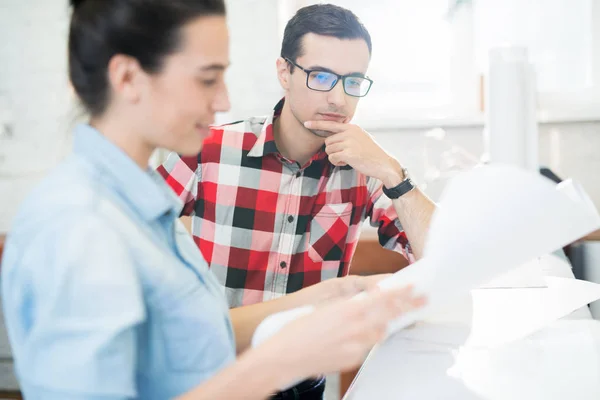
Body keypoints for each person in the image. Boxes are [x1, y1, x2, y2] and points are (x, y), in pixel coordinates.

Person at [0, 1, 426, 399]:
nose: (223, 100)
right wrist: (279, 361)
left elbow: (191, 336)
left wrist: (337, 294)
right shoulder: (78, 226)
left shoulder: (142, 204)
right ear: (128, 79)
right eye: (207, 78)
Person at [158, 4, 437, 397]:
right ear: (284, 73)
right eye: (321, 76)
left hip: (302, 387)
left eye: (353, 81)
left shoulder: (364, 169)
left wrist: (392, 172)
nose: (339, 99)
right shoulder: (209, 151)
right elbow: (122, 243)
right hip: (215, 377)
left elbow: (443, 258)